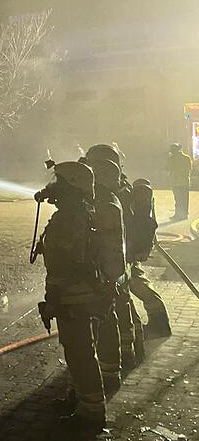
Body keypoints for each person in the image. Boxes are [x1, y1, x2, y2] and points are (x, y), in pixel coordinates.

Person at [33, 161, 121, 429]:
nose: (53, 188)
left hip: (74, 300)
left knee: (79, 353)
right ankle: (82, 400)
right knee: (83, 350)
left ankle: (91, 414)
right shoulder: (82, 213)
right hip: (86, 297)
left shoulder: (67, 220)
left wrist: (52, 302)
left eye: (59, 182)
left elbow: (61, 269)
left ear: (71, 186)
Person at [86, 144, 140, 372]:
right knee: (123, 302)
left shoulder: (111, 194)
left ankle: (117, 360)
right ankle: (128, 350)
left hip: (112, 259)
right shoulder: (122, 186)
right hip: (121, 256)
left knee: (113, 307)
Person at [127, 178, 171, 338]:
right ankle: (158, 323)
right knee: (135, 282)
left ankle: (158, 324)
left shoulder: (134, 194)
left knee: (135, 283)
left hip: (128, 248)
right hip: (130, 247)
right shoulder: (139, 196)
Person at [166, 143, 192, 220]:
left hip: (176, 182)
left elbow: (167, 168)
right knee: (184, 198)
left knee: (178, 199)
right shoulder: (186, 158)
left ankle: (178, 214)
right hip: (184, 182)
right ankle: (184, 214)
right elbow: (189, 169)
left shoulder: (172, 159)